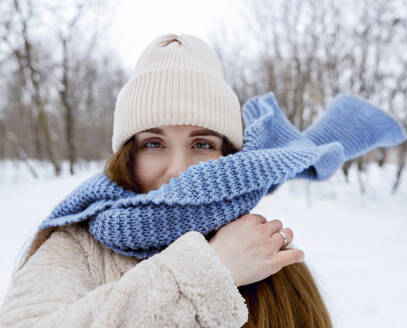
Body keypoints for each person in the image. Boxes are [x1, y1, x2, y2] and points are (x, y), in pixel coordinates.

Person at [0, 33, 333, 327]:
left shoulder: (263, 249)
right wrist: (210, 273)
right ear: (127, 157)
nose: (177, 169)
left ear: (229, 156)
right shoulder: (77, 247)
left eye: (202, 144)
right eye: (153, 144)